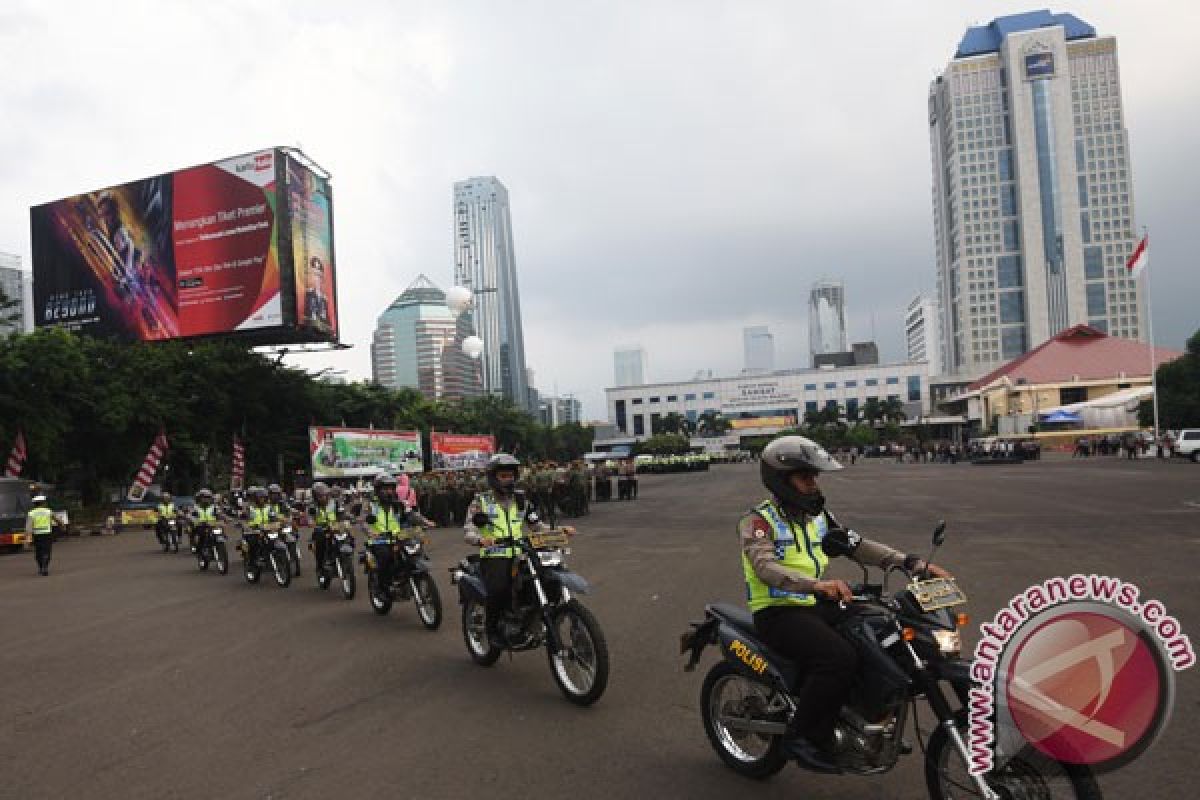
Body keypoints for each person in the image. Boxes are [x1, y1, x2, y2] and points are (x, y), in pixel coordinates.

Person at [740, 435, 950, 773]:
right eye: (805, 477)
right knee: (837, 657)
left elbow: (858, 545)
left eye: (814, 477)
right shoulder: (759, 522)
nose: (813, 484)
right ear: (782, 479)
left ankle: (866, 719)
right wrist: (817, 584)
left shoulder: (819, 517)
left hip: (817, 602)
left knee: (885, 634)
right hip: (779, 611)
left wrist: (910, 563)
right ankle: (802, 736)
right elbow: (766, 568)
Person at [464, 454, 574, 648]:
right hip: (495, 554)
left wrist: (558, 531)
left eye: (511, 475)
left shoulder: (521, 500)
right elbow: (469, 530)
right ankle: (492, 631)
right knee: (499, 589)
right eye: (503, 476)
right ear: (493, 477)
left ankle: (534, 617)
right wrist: (480, 539)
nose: (508, 480)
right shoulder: (480, 502)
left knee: (547, 579)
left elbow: (536, 526)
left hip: (522, 553)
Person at [363, 473, 435, 596]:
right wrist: (370, 531)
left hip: (398, 537)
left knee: (416, 550)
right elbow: (363, 521)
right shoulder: (370, 505)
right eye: (385, 489)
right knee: (385, 557)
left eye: (391, 488)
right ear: (378, 490)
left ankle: (407, 576)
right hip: (379, 540)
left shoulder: (399, 504)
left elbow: (412, 515)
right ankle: (383, 587)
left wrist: (426, 522)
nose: (388, 492)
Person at [26, 494, 56, 576]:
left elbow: (28, 527)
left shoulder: (31, 513)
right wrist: (62, 525)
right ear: (43, 503)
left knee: (38, 552)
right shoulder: (48, 511)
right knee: (46, 551)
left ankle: (40, 568)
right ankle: (45, 567)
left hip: (37, 535)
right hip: (47, 534)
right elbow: (56, 519)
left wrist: (28, 539)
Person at [189, 488, 222, 555]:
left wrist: (226, 519)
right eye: (204, 497)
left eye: (208, 497)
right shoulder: (195, 507)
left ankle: (220, 546)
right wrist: (194, 520)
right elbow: (190, 515)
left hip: (213, 525)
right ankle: (198, 548)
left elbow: (220, 514)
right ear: (200, 498)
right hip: (201, 526)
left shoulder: (214, 507)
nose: (206, 499)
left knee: (220, 533)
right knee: (199, 536)